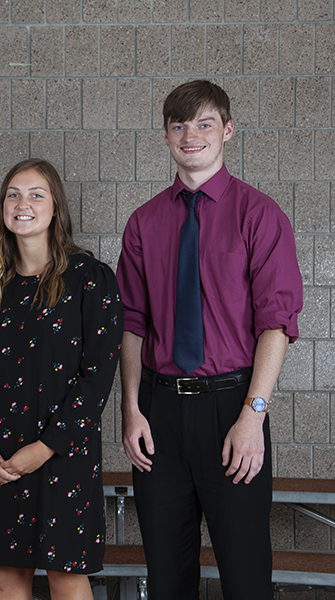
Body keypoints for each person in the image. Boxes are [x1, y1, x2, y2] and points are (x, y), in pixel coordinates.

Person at [117, 80, 303, 600]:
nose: (190, 135)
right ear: (166, 136)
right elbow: (131, 323)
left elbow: (277, 324)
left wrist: (253, 416)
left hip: (233, 408)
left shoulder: (259, 215)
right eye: (178, 126)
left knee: (244, 573)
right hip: (159, 414)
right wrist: (131, 410)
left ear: (227, 130)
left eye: (203, 124)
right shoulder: (143, 223)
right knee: (167, 571)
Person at [0, 158, 122, 600]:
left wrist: (44, 448)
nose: (22, 203)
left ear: (55, 208)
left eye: (35, 194)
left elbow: (98, 377)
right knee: (7, 578)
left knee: (66, 576)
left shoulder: (90, 278)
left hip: (62, 454)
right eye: (13, 194)